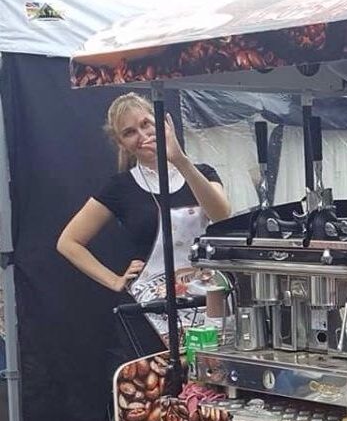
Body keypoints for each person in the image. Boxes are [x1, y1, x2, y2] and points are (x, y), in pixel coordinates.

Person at [57, 91, 231, 316]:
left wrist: (179, 160)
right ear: (121, 143)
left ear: (161, 123)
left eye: (146, 124)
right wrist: (114, 280)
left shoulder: (202, 173)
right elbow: (68, 242)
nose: (142, 135)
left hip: (207, 298)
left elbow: (222, 216)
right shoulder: (121, 187)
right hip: (152, 307)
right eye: (129, 132)